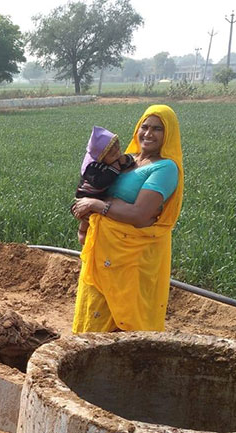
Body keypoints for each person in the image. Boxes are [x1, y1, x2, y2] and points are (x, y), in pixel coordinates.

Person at [69, 104, 184, 333]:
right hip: (102, 250)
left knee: (126, 323)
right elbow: (95, 183)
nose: (149, 134)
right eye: (145, 126)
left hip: (132, 259)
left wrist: (98, 206)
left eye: (158, 129)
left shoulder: (165, 168)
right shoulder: (126, 161)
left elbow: (140, 215)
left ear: (168, 134)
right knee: (94, 315)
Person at [74, 126, 136, 245]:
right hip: (86, 196)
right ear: (101, 157)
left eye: (118, 150)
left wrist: (126, 160)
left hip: (101, 196)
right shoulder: (91, 167)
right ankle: (82, 232)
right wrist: (116, 167)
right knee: (88, 216)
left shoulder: (114, 161)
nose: (117, 155)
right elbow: (100, 183)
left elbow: (129, 160)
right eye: (113, 155)